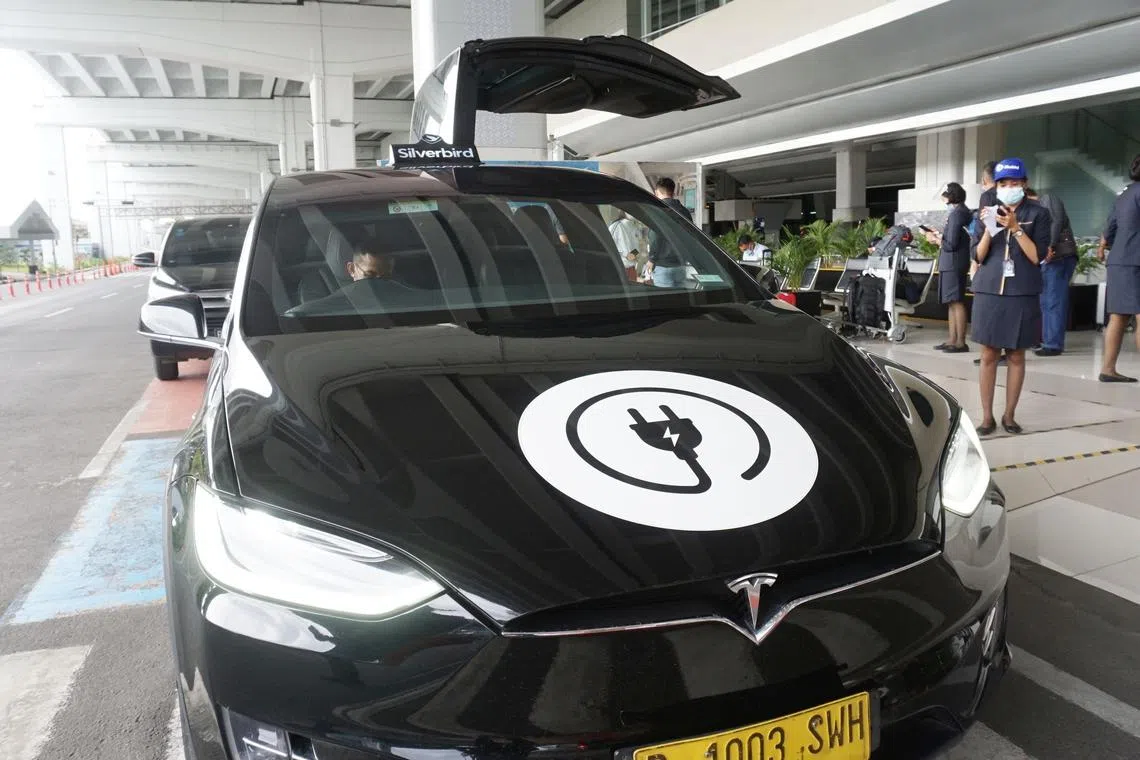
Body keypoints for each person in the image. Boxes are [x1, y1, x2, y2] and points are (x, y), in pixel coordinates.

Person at [971, 158, 1051, 435]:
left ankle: (1009, 415)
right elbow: (978, 256)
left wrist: (1016, 228)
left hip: (1022, 291)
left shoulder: (1039, 214)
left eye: (1014, 183)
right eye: (1002, 183)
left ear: (1024, 184)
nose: (1008, 188)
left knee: (1016, 354)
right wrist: (989, 231)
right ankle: (986, 417)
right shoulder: (986, 212)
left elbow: (1037, 256)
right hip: (989, 290)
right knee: (988, 353)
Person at [1098, 154, 1140, 383]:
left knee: (1118, 316)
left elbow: (1109, 228)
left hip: (1119, 260)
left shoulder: (1124, 194)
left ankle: (1108, 369)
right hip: (1136, 260)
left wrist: (1103, 246)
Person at [1026, 187, 1078, 356]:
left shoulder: (1047, 199)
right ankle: (1046, 339)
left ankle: (1053, 344)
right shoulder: (1035, 211)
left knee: (1054, 300)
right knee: (1046, 301)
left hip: (1059, 257)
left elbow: (1056, 221)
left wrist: (1049, 245)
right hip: (1048, 259)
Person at [925, 182, 972, 353]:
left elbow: (951, 244)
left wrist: (935, 239)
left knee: (956, 301)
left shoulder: (957, 214)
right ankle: (952, 339)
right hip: (953, 261)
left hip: (953, 262)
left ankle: (960, 342)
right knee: (951, 301)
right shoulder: (960, 213)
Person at [644, 177, 692, 287]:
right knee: (681, 300)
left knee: (666, 302)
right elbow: (690, 236)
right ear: (673, 192)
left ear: (656, 192)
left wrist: (651, 259)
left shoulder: (657, 210)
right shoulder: (684, 212)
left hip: (663, 265)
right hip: (680, 264)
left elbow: (655, 236)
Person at [608, 209, 642, 281]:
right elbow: (607, 246)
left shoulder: (635, 226)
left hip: (632, 268)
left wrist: (632, 255)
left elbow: (638, 247)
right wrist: (624, 256)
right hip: (619, 268)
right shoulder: (616, 226)